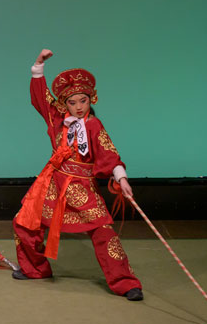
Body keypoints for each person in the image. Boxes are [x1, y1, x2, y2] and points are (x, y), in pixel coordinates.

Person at [12, 48, 143, 301]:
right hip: (53, 184)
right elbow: (41, 97)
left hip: (82, 188)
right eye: (72, 102)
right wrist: (38, 65)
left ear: (90, 99)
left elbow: (108, 152)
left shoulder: (94, 125)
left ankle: (126, 283)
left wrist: (122, 178)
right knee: (24, 222)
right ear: (65, 104)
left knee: (104, 232)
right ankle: (35, 269)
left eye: (83, 101)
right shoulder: (57, 119)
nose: (78, 107)